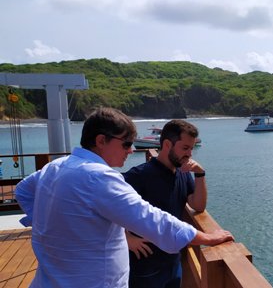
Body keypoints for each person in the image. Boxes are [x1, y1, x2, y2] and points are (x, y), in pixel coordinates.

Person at [15, 107, 233, 288]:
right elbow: (151, 218)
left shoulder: (57, 165)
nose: (132, 150)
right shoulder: (98, 177)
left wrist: (48, 225)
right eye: (127, 143)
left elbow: (23, 191)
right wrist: (206, 238)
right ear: (101, 141)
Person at [123, 119, 206, 288]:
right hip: (145, 268)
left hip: (173, 262)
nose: (190, 154)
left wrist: (200, 174)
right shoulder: (138, 176)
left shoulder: (183, 173)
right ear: (167, 144)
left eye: (191, 148)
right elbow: (109, 209)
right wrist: (127, 239)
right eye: (185, 148)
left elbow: (198, 206)